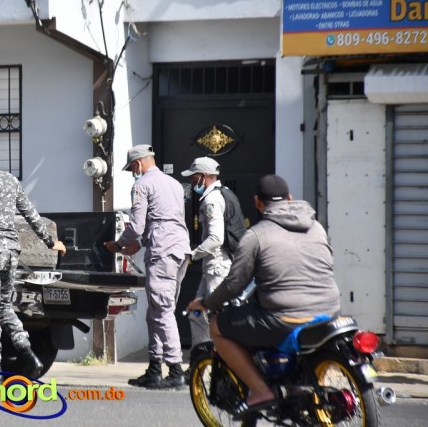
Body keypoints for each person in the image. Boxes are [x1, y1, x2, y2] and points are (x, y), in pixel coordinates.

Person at [186, 174, 341, 417]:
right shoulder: (317, 227)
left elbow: (234, 285)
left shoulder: (256, 236)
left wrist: (205, 303)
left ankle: (260, 390)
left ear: (257, 203)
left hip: (285, 317)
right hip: (330, 312)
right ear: (289, 198)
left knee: (217, 326)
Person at [0, 137, 66, 384]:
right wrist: (51, 242)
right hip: (11, 251)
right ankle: (29, 357)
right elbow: (31, 214)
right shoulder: (10, 180)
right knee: (5, 307)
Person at [104, 145, 191, 389]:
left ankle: (175, 369)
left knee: (162, 312)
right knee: (155, 312)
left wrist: (119, 244)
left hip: (162, 252)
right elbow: (166, 220)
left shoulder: (142, 185)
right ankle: (154, 368)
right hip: (180, 250)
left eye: (132, 168)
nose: (133, 172)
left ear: (138, 163)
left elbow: (137, 226)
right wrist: (140, 244)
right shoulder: (174, 184)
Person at [181, 157, 233, 347]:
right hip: (211, 268)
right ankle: (201, 357)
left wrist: (193, 255)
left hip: (217, 268)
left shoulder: (212, 200)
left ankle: (224, 360)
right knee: (197, 314)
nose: (192, 180)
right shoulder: (220, 194)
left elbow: (216, 238)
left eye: (194, 176)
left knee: (217, 318)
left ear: (203, 176)